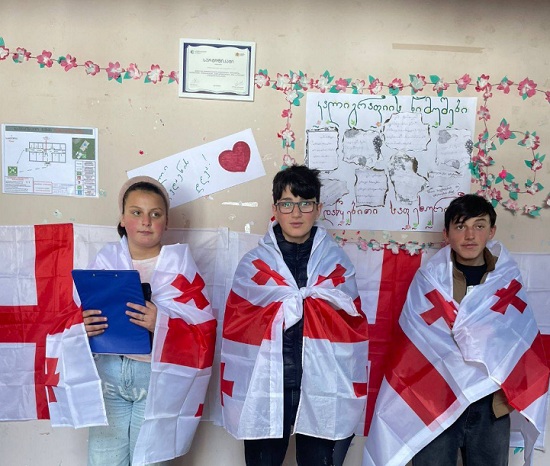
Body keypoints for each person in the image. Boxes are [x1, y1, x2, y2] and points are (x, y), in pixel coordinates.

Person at [363, 194, 549, 466]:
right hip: (435, 402)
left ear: (492, 231)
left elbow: (518, 340)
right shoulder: (429, 281)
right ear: (446, 233)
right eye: (460, 226)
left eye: (479, 226)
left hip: (490, 405)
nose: (470, 235)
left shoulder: (507, 279)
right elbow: (415, 343)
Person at [220, 164, 369, 466]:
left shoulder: (336, 263)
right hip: (267, 382)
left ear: (318, 209)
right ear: (275, 209)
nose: (296, 213)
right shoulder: (254, 264)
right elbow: (240, 326)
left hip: (323, 383)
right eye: (287, 204)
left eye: (305, 204)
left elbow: (350, 324)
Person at [81, 176, 216, 466]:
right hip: (109, 373)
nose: (146, 221)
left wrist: (162, 321)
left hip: (157, 377)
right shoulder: (104, 262)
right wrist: (82, 324)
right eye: (136, 212)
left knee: (150, 460)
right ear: (122, 218)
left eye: (155, 214)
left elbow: (204, 328)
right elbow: (72, 317)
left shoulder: (181, 267)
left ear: (166, 222)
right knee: (103, 459)